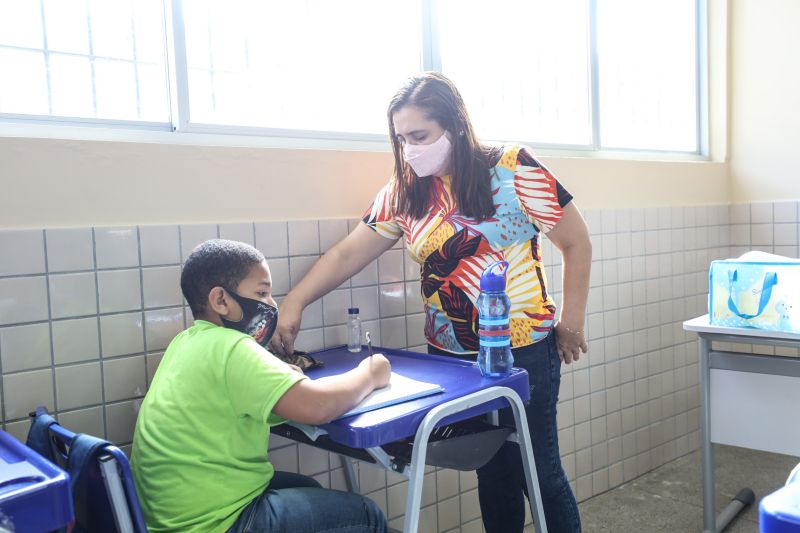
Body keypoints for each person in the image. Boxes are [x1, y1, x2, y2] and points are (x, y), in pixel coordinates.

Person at [272, 72, 591, 533]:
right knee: (492, 470)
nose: (410, 150)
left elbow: (576, 243)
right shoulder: (406, 188)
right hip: (451, 358)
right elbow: (347, 253)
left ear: (455, 126)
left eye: (419, 136)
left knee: (539, 472)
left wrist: (571, 322)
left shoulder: (513, 168)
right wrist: (294, 302)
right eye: (401, 139)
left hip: (521, 352)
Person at [131, 239, 390, 533]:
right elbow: (318, 406)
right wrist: (371, 372)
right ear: (221, 300)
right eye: (262, 292)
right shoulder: (234, 347)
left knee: (307, 487)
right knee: (367, 516)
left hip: (170, 517)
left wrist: (280, 379)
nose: (272, 304)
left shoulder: (186, 342)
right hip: (216, 523)